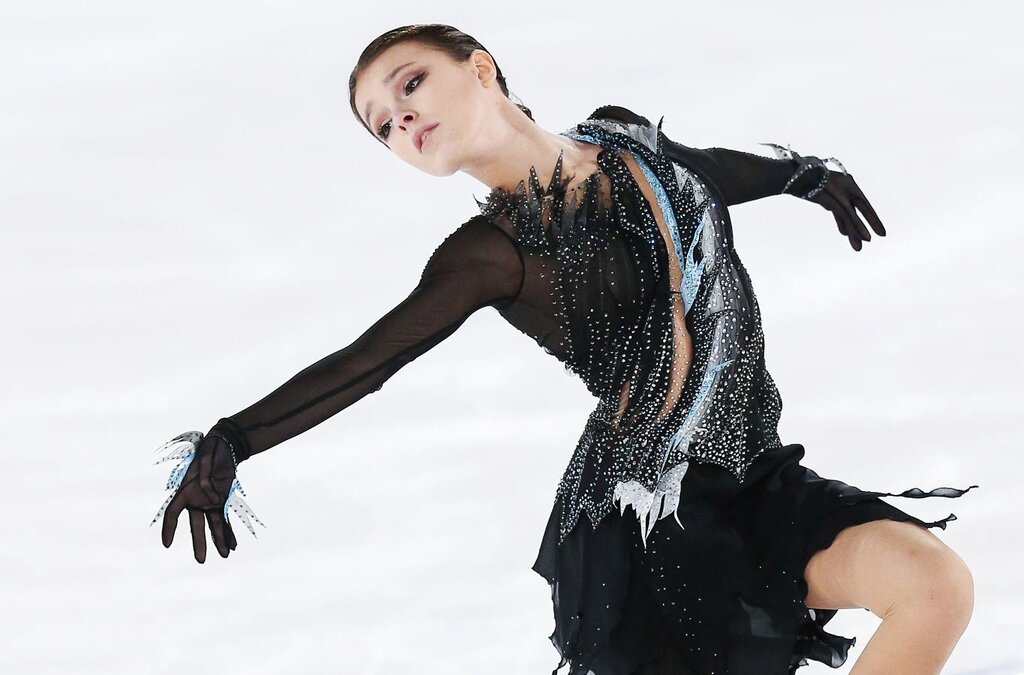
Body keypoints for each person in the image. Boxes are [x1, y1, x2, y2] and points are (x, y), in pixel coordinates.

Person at [151, 23, 979, 675]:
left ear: (480, 68)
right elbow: (368, 361)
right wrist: (233, 439)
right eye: (384, 126)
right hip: (646, 525)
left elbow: (702, 175)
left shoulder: (622, 137)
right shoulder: (489, 255)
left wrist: (802, 174)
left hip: (754, 477)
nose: (401, 119)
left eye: (409, 84)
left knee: (934, 585)